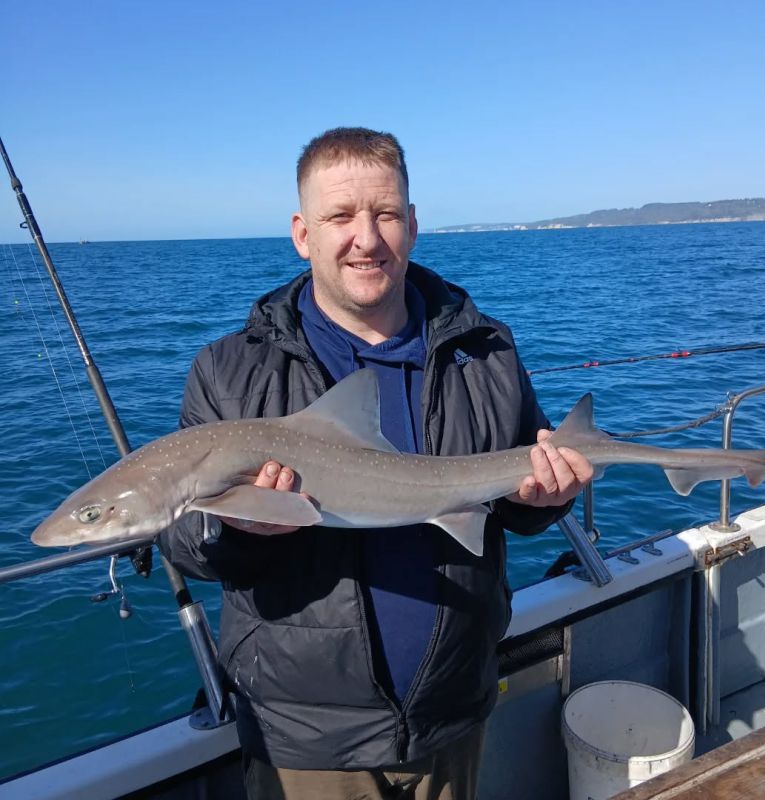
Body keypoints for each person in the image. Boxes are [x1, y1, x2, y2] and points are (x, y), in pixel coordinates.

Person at [160, 127, 593, 800]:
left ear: (412, 225)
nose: (366, 238)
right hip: (308, 737)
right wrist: (237, 528)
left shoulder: (485, 351)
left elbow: (513, 503)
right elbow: (185, 540)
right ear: (303, 234)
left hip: (453, 708)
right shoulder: (230, 372)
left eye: (385, 213)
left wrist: (546, 500)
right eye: (340, 216)